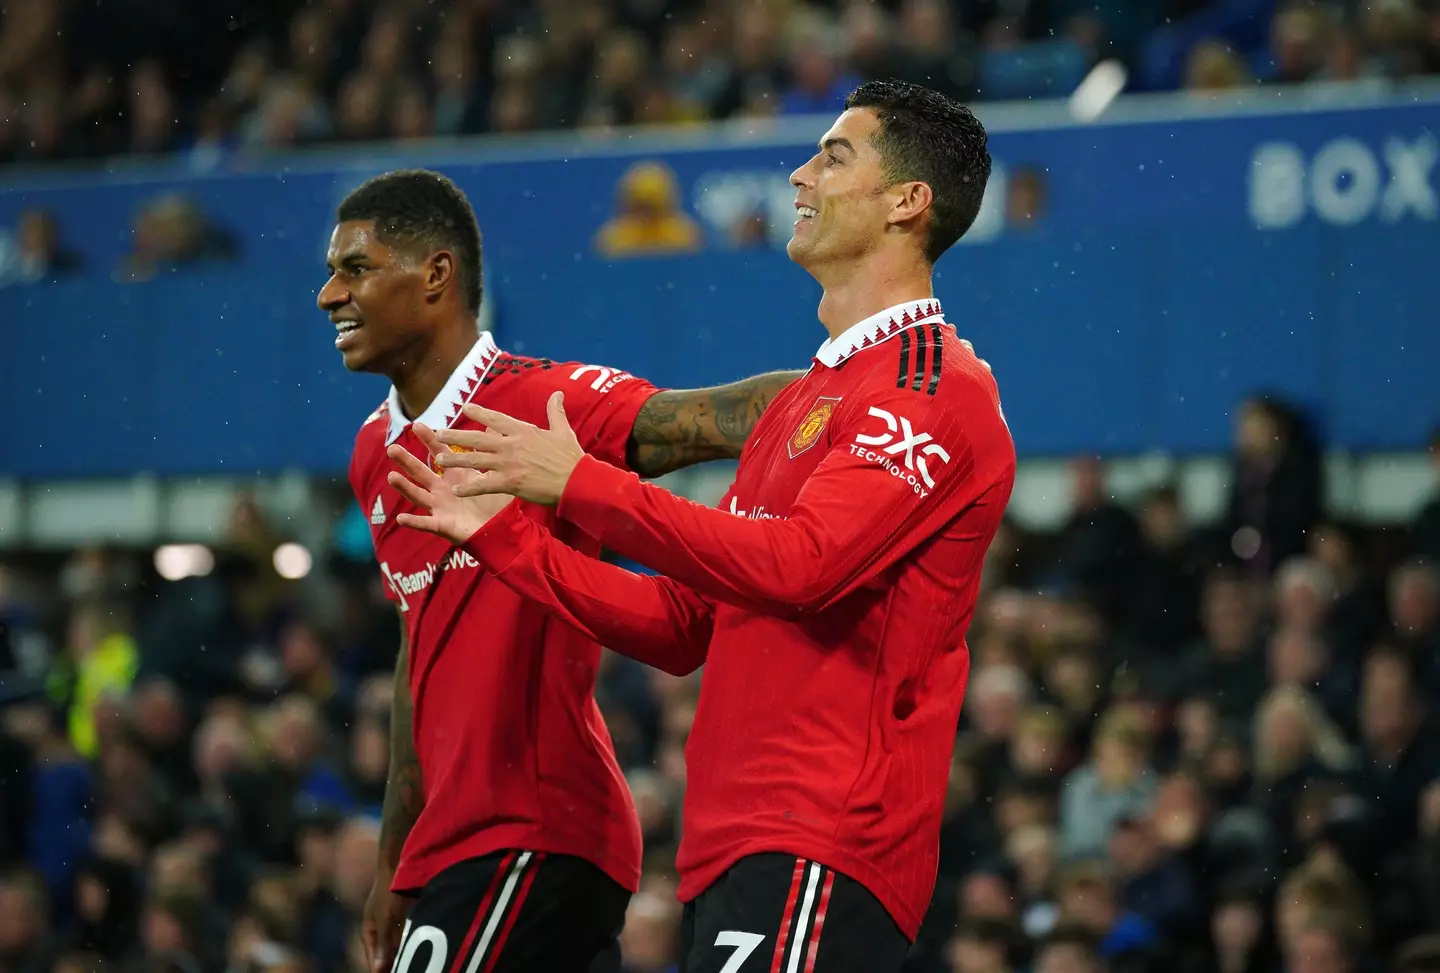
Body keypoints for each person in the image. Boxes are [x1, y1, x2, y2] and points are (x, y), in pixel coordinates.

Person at [387, 81, 1013, 973]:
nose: (800, 175)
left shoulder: (933, 384)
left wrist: (582, 486)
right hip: (736, 843)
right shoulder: (806, 399)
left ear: (909, 203)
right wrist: (502, 536)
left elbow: (801, 567)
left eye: (834, 157)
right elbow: (683, 626)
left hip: (824, 838)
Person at [320, 169, 801, 973]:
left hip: (534, 824)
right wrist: (393, 860)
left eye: (356, 268)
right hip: (462, 841)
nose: (331, 293)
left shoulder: (543, 402)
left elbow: (730, 413)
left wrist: (888, 397)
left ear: (437, 275)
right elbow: (419, 657)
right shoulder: (374, 452)